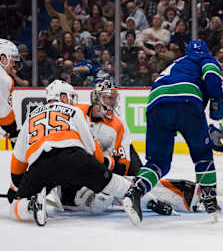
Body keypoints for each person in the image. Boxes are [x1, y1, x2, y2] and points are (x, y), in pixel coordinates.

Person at [8, 80, 149, 226]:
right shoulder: (75, 111)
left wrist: (18, 186)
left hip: (40, 164)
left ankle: (30, 205)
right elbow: (92, 149)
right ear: (62, 97)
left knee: (15, 206)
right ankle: (134, 193)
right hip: (74, 157)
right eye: (70, 97)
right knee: (109, 182)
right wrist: (104, 165)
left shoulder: (29, 118)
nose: (72, 101)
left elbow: (17, 161)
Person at [122, 40, 223, 225]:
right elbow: (211, 75)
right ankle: (210, 201)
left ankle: (135, 192)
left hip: (155, 104)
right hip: (186, 101)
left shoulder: (178, 63)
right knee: (202, 154)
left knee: (158, 162)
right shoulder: (206, 58)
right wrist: (218, 100)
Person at [58, 80, 199, 213]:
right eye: (108, 98)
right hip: (84, 159)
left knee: (137, 179)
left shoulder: (118, 125)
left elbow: (122, 164)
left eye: (113, 98)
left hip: (114, 159)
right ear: (96, 98)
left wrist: (107, 169)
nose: (111, 102)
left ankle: (173, 196)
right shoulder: (77, 112)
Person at [0, 39, 21, 146]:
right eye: (11, 59)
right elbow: (4, 114)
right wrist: (13, 131)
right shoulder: (4, 79)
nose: (13, 63)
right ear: (3, 58)